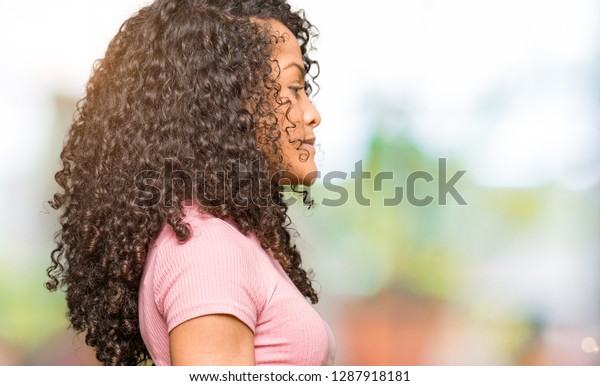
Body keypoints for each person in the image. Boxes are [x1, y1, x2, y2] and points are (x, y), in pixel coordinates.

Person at [46, 0, 335, 366]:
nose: (312, 114)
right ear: (231, 101)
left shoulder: (218, 237)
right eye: (294, 88)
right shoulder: (207, 248)